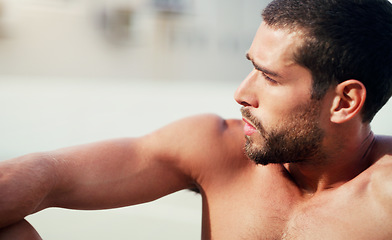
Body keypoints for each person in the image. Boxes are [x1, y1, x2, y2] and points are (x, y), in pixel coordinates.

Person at [1, 0, 392, 239]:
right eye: (251, 67)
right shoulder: (217, 149)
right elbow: (44, 175)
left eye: (270, 78)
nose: (242, 93)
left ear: (344, 101)